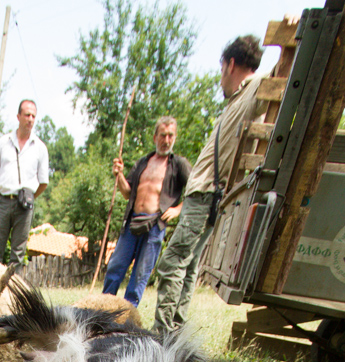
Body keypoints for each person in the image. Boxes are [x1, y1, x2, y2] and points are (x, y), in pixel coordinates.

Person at [154, 35, 266, 335]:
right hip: (207, 196)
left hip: (206, 195)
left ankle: (163, 335)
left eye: (221, 70)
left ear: (230, 64)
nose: (220, 79)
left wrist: (291, 38)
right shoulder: (238, 99)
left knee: (172, 262)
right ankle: (175, 333)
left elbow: (285, 74)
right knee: (188, 265)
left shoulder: (255, 87)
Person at [102, 117, 192, 306]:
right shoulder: (143, 162)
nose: (166, 140)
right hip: (132, 222)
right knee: (115, 267)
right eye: (162, 135)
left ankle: (128, 315)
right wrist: (119, 175)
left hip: (155, 226)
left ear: (175, 137)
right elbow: (127, 193)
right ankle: (103, 310)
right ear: (155, 137)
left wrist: (177, 209)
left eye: (170, 136)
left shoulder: (179, 164)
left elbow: (195, 190)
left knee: (140, 275)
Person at [0, 100, 49, 268]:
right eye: (27, 115)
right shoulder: (3, 142)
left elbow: (43, 182)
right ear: (18, 116)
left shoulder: (40, 148)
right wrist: (5, 188)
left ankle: (13, 285)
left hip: (24, 206)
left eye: (33, 116)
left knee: (18, 255)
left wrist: (29, 196)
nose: (30, 119)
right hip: (3, 201)